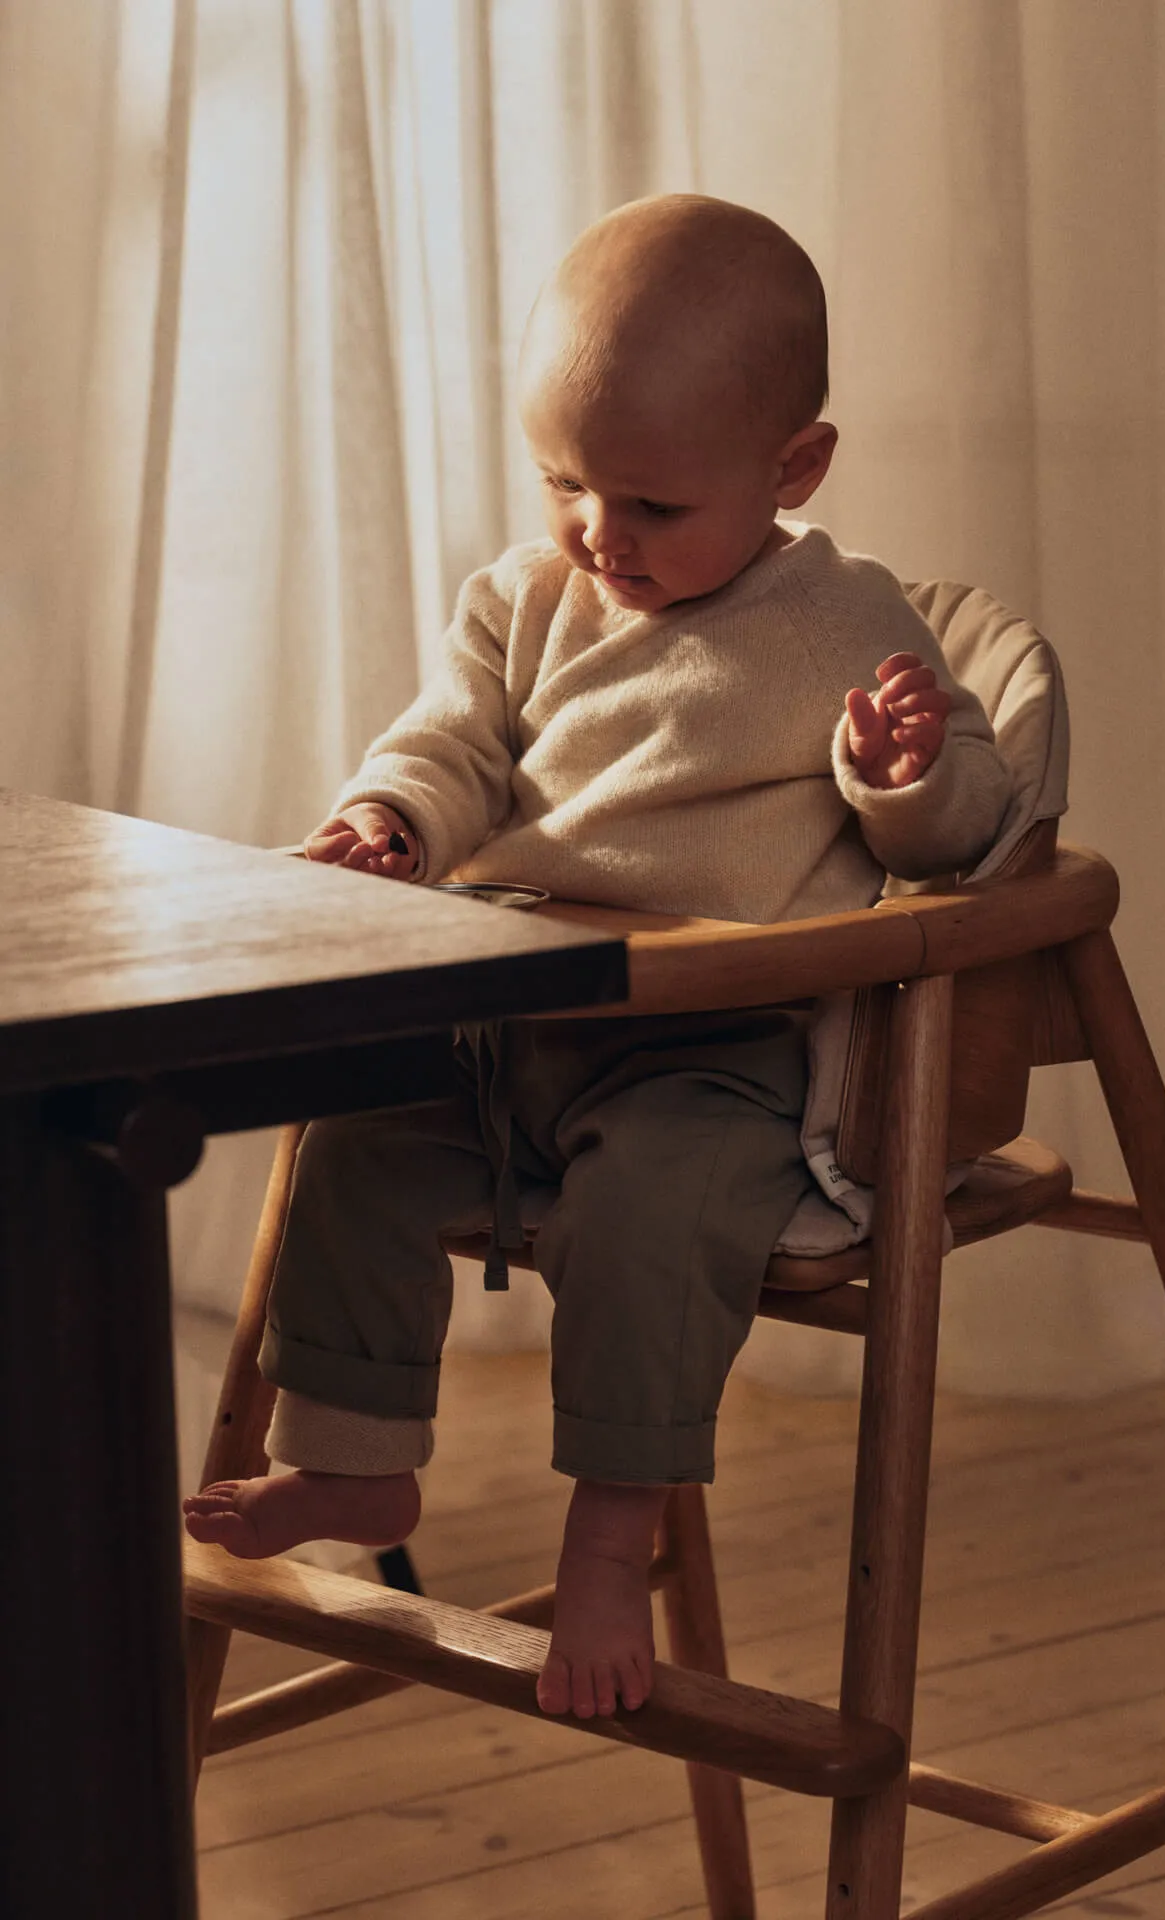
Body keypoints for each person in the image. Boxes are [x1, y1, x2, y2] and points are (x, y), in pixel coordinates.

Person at [184, 193, 1011, 1721]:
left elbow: (965, 833)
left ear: (792, 468)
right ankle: (353, 1467)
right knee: (352, 1137)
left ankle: (612, 1538)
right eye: (565, 482)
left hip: (712, 1045)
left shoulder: (846, 622)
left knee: (658, 1209)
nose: (596, 534)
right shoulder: (527, 600)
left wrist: (903, 770)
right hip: (512, 1018)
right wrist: (390, 818)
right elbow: (452, 744)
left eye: (648, 504)